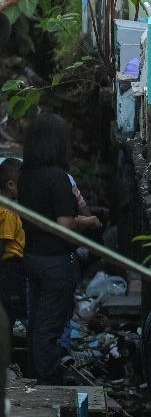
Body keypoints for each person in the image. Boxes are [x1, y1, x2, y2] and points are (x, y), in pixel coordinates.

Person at [19, 113, 102, 385]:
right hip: (56, 262)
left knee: (35, 325)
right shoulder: (57, 178)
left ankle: (35, 377)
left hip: (32, 257)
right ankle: (49, 383)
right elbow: (65, 223)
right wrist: (90, 221)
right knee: (50, 328)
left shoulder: (25, 176)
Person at [0, 158, 26, 325]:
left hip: (11, 267)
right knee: (10, 311)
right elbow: (2, 243)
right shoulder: (8, 212)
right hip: (10, 266)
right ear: (11, 185)